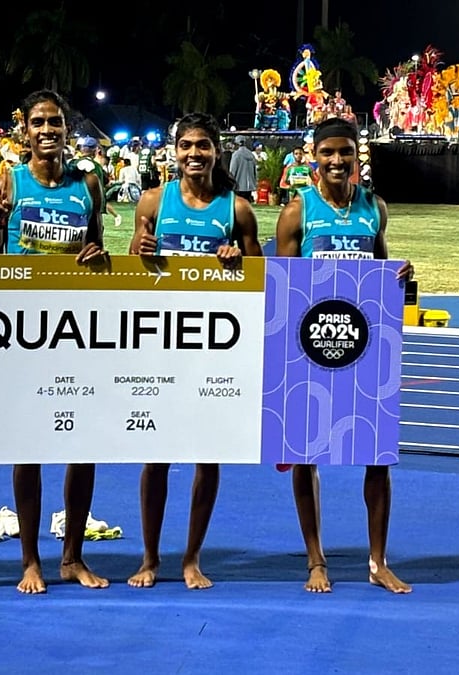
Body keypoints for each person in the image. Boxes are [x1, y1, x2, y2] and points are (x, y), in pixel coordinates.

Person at [273, 117, 414, 594]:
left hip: (365, 347)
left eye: (345, 153)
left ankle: (377, 561)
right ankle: (316, 559)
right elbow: (282, 288)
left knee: (377, 455)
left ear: (358, 157)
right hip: (308, 348)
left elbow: (382, 269)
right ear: (313, 156)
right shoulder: (298, 212)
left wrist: (401, 274)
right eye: (328, 152)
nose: (337, 161)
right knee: (305, 455)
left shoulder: (375, 209)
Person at [126, 112, 262, 589]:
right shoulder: (151, 202)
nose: (194, 154)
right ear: (174, 151)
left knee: (208, 455)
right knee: (156, 455)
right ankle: (148, 558)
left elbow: (260, 278)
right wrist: (139, 253)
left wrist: (239, 261)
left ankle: (191, 558)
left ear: (216, 151)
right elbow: (131, 271)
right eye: (186, 145)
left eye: (203, 145)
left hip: (213, 348)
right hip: (160, 342)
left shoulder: (236, 209)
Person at [0, 89, 109, 594]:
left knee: (82, 446)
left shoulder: (88, 184)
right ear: (26, 130)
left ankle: (72, 557)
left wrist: (97, 253)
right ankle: (30, 561)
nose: (47, 130)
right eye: (38, 122)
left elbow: (99, 245)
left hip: (77, 328)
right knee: (29, 447)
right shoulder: (9, 181)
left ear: (66, 131)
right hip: (23, 331)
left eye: (55, 123)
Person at [228, 134, 258, 203]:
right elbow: (255, 171)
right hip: (249, 186)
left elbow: (232, 171)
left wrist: (230, 183)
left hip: (238, 186)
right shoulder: (251, 154)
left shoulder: (236, 155)